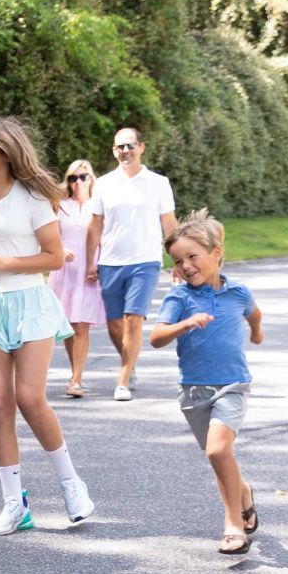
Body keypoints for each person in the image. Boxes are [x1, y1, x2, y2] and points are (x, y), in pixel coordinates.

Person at [0, 117, 96, 536]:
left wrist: (3, 263)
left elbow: (54, 257)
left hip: (30, 302)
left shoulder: (33, 197)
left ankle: (71, 484)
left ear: (7, 153)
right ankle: (15, 504)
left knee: (30, 398)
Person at [150, 210, 264, 555]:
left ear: (216, 254)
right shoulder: (180, 298)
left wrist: (257, 332)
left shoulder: (238, 293)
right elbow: (156, 337)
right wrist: (185, 324)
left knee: (217, 449)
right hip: (194, 391)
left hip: (232, 385)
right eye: (178, 260)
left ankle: (233, 525)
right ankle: (242, 493)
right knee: (219, 456)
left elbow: (253, 313)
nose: (185, 266)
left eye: (192, 256)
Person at [86, 126, 178, 401]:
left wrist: (179, 259)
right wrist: (92, 260)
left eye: (129, 146)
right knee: (115, 324)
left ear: (141, 147)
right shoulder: (103, 184)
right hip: (111, 261)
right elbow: (95, 225)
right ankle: (130, 362)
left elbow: (169, 223)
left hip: (145, 261)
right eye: (119, 147)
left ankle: (123, 380)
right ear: (114, 151)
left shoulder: (158, 183)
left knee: (133, 321)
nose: (125, 151)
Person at [50, 159, 107, 397]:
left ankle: (76, 379)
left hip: (89, 270)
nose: (78, 182)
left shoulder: (98, 204)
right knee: (69, 325)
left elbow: (105, 235)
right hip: (65, 270)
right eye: (73, 178)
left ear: (91, 178)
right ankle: (75, 371)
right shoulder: (61, 206)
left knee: (82, 325)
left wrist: (98, 264)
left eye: (83, 177)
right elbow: (51, 236)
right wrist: (60, 250)